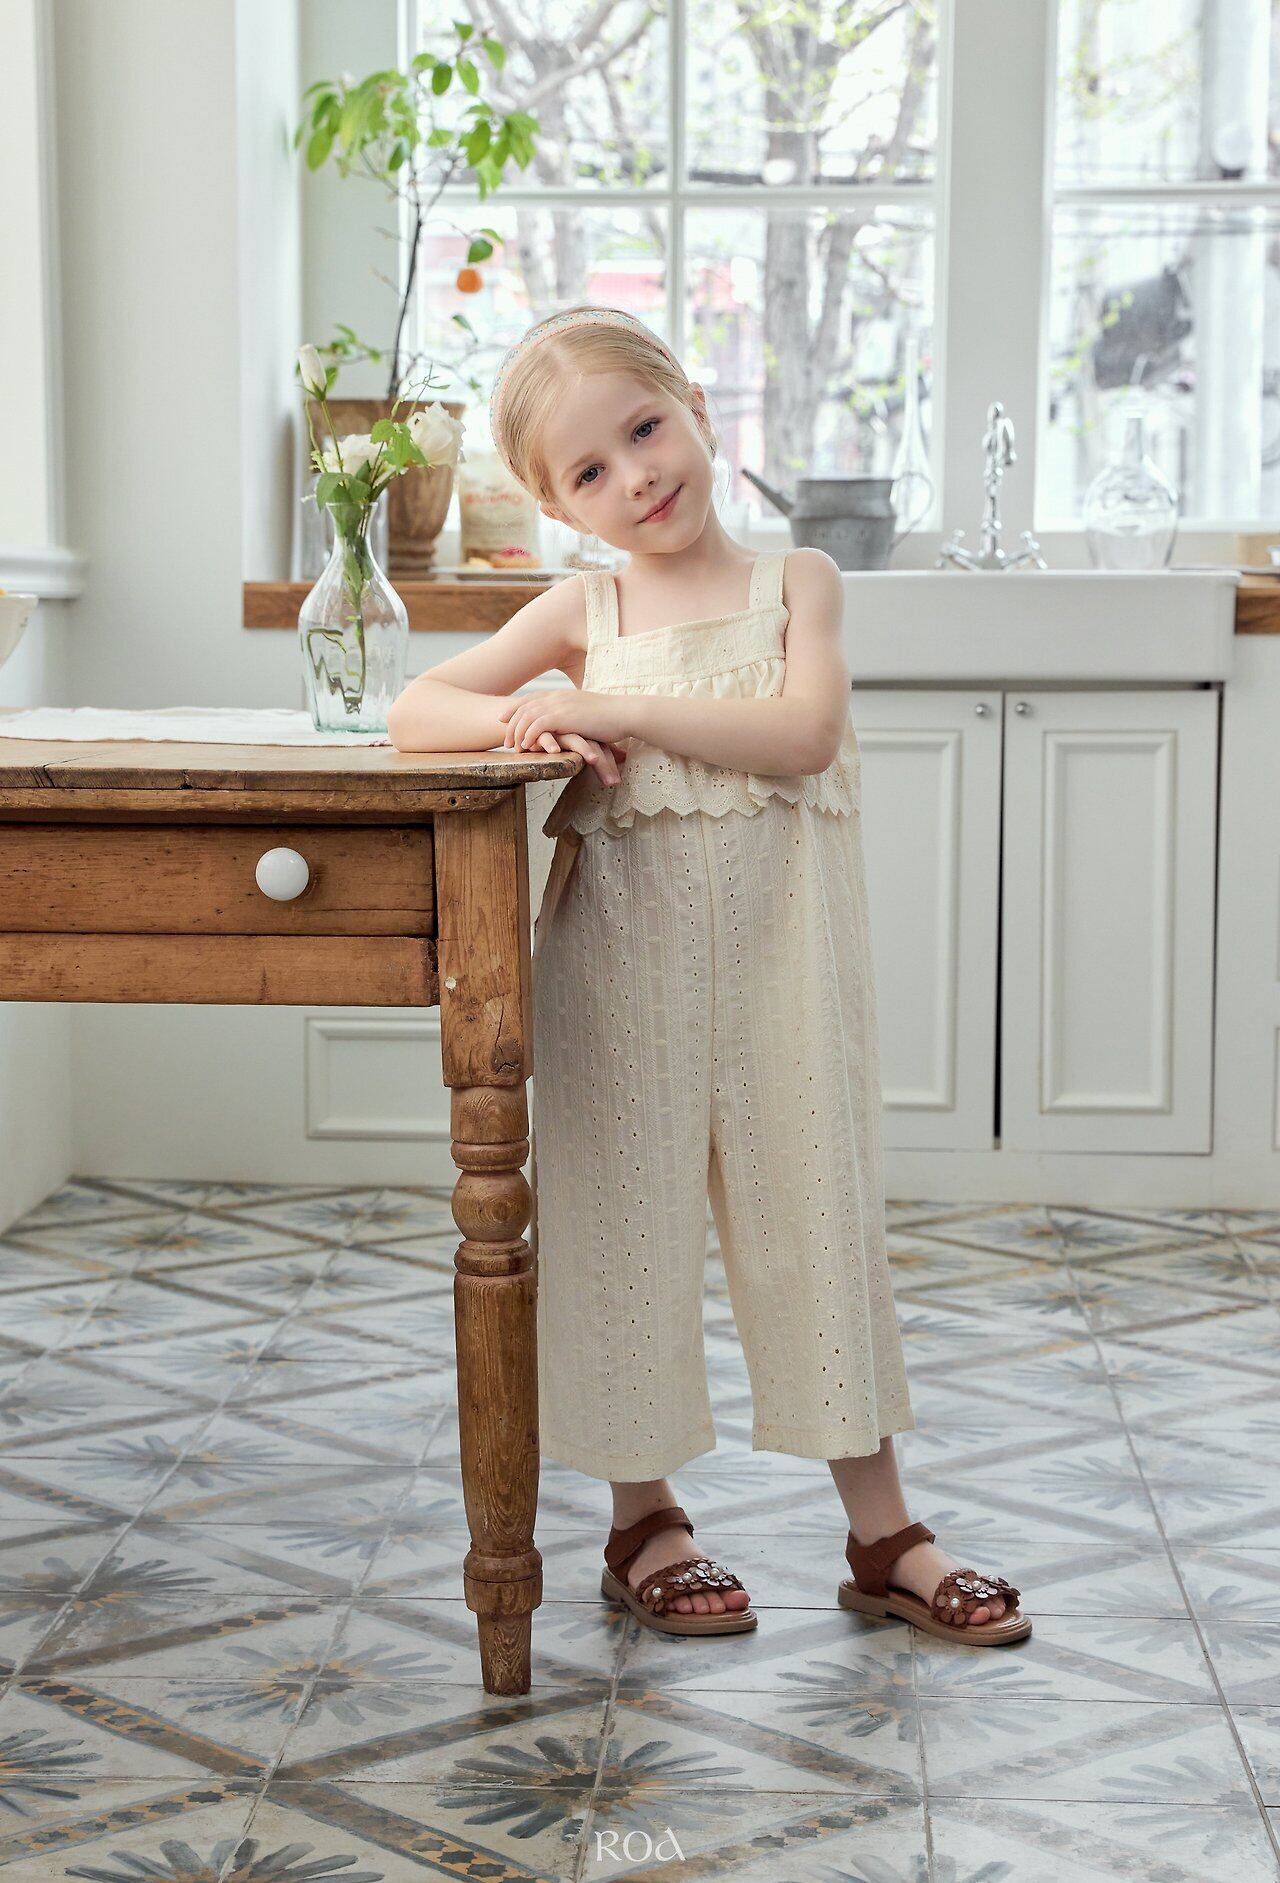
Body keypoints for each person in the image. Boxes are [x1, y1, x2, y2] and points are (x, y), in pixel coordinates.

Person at [387, 305, 1030, 1648]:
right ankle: (646, 1522)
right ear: (560, 509)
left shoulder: (798, 583)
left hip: (789, 967)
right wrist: (530, 715)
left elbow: (801, 735)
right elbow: (414, 711)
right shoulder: (581, 608)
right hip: (620, 965)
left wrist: (606, 704)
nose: (636, 477)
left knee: (817, 1214)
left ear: (693, 405)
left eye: (645, 430)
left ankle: (883, 1531)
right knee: (624, 1223)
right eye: (591, 471)